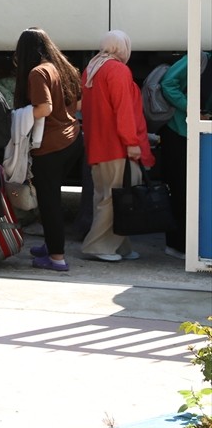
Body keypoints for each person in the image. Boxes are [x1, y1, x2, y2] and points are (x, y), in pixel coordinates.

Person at [78, 31, 153, 262]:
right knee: (117, 197)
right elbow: (124, 111)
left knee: (107, 196)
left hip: (98, 146)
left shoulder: (92, 69)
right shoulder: (118, 70)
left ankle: (121, 246)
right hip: (117, 147)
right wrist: (132, 143)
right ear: (123, 48)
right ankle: (97, 246)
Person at [13, 26, 83, 272]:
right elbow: (78, 103)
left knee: (49, 201)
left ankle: (56, 257)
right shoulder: (63, 67)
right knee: (52, 198)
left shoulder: (37, 72)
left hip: (50, 146)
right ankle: (52, 244)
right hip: (73, 139)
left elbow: (44, 108)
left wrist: (17, 116)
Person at [156, 50, 211, 259]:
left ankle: (188, 244)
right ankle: (177, 245)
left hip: (195, 134)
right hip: (177, 132)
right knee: (180, 189)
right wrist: (191, 108)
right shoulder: (200, 58)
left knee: (193, 190)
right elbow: (168, 83)